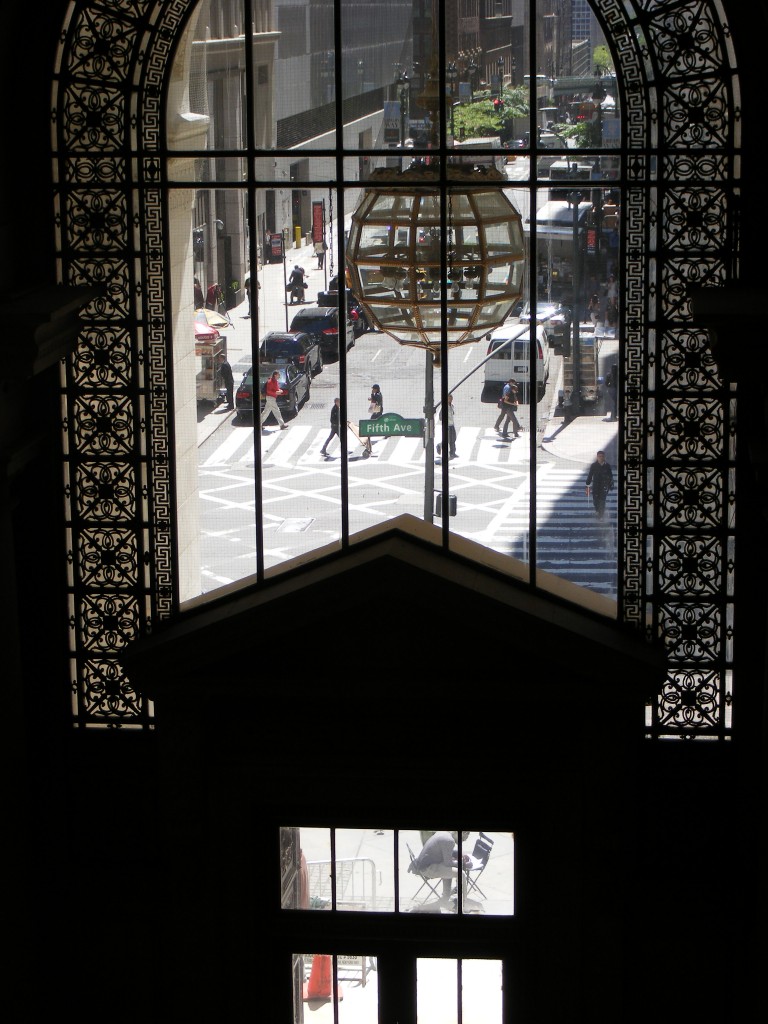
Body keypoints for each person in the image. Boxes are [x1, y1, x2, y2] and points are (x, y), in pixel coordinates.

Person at [411, 830, 471, 904]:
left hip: (423, 864)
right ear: (462, 833)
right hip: (428, 868)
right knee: (461, 874)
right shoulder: (450, 841)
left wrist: (461, 854)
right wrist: (462, 863)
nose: (461, 842)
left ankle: (446, 897)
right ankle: (464, 904)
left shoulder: (444, 833)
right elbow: (448, 863)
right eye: (462, 839)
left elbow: (447, 852)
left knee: (449, 870)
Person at [586, 450, 614, 519]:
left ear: (604, 457)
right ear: (597, 457)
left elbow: (610, 476)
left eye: (602, 456)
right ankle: (597, 510)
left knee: (602, 501)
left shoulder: (607, 466)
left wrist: (611, 485)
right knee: (595, 501)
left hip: (604, 486)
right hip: (595, 486)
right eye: (599, 456)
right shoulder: (594, 465)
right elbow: (590, 475)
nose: (601, 458)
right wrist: (588, 483)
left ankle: (600, 514)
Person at [437, 393, 457, 458]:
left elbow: (452, 414)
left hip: (452, 425)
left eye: (451, 398)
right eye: (449, 398)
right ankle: (439, 446)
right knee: (447, 440)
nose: (450, 399)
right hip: (446, 426)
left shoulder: (452, 406)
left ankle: (452, 452)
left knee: (453, 438)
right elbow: (440, 417)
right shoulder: (444, 407)